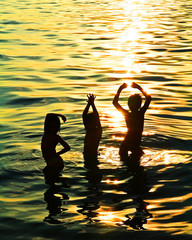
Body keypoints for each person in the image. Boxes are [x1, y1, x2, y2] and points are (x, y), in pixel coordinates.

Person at [113, 82, 151, 166]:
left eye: (134, 103)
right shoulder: (139, 113)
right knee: (134, 167)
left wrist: (120, 89)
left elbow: (115, 103)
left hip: (129, 144)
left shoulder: (132, 114)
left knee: (129, 166)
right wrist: (138, 88)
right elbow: (148, 98)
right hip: (130, 144)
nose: (133, 105)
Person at [41, 113, 70, 185]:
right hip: (52, 162)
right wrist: (60, 115)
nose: (54, 129)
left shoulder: (56, 137)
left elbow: (67, 147)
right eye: (52, 127)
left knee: (51, 183)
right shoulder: (46, 134)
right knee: (53, 183)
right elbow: (48, 115)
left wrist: (56, 154)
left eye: (57, 127)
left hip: (55, 163)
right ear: (47, 126)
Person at [82, 94, 102, 169]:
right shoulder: (91, 131)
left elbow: (95, 116)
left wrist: (92, 104)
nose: (88, 124)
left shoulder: (97, 133)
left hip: (92, 157)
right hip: (87, 157)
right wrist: (90, 104)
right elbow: (84, 116)